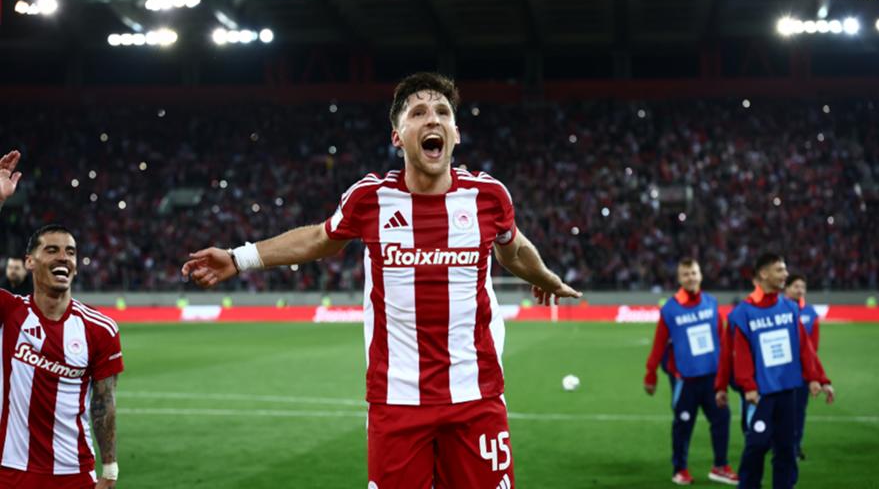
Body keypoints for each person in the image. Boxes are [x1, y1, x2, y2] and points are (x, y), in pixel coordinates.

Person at [182, 72, 581, 489]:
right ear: (397, 137)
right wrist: (238, 258)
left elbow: (512, 249)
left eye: (443, 112)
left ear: (456, 133)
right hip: (397, 400)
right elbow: (319, 238)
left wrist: (546, 277)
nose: (433, 119)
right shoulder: (370, 198)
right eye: (418, 113)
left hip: (475, 396)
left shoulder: (488, 196)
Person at [0, 150, 123, 489]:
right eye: (51, 250)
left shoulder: (100, 329)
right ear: (30, 261)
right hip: (10, 472)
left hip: (75, 475)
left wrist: (110, 469)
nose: (63, 257)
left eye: (70, 252)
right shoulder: (8, 312)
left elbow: (104, 403)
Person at [724, 253, 833, 489]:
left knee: (785, 449)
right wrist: (748, 386)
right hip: (760, 394)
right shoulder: (742, 313)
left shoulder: (790, 309)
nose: (786, 274)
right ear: (764, 274)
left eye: (785, 269)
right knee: (757, 446)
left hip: (787, 390)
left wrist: (817, 378)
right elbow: (740, 355)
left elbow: (804, 348)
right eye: (780, 270)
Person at [644, 258, 738, 485]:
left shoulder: (711, 302)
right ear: (679, 279)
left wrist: (727, 369)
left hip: (713, 377)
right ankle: (680, 469)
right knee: (683, 425)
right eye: (686, 274)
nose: (691, 278)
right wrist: (651, 373)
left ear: (700, 275)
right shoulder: (670, 309)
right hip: (685, 381)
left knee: (722, 419)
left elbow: (722, 337)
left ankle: (720, 466)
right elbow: (659, 343)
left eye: (694, 273)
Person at [783, 274, 819, 461]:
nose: (800, 290)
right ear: (786, 288)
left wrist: (812, 375)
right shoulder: (778, 310)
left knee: (798, 412)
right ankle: (779, 445)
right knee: (779, 412)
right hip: (780, 373)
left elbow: (813, 347)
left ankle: (795, 447)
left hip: (802, 373)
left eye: (802, 287)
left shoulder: (810, 313)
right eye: (796, 286)